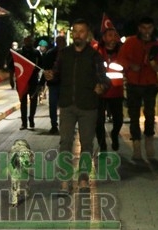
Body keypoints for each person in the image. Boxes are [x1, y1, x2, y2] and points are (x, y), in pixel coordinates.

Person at [44, 19, 110, 193]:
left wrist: (101, 86)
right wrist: (50, 75)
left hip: (88, 106)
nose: (78, 34)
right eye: (75, 31)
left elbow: (104, 78)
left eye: (81, 31)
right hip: (67, 105)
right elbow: (56, 73)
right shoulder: (64, 54)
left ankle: (83, 179)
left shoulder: (94, 56)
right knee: (65, 142)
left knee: (87, 144)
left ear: (87, 35)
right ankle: (65, 181)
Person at [118, 17, 158, 160]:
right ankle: (136, 146)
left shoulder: (156, 44)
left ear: (153, 29)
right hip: (134, 84)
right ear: (139, 28)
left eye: (149, 28)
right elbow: (121, 59)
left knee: (150, 115)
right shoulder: (130, 42)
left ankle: (149, 143)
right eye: (144, 28)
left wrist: (155, 65)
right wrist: (130, 66)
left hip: (150, 84)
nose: (146, 31)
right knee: (134, 116)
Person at [96, 28, 125, 151]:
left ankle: (114, 134)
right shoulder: (96, 51)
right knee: (98, 122)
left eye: (115, 35)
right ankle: (102, 145)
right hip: (100, 92)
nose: (113, 38)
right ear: (104, 38)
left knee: (119, 120)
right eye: (110, 35)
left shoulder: (122, 52)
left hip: (116, 92)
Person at [41, 36, 66, 135]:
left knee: (63, 106)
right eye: (60, 41)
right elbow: (46, 69)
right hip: (54, 83)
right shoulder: (51, 53)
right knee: (54, 105)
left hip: (64, 84)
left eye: (62, 41)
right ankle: (54, 125)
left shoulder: (68, 53)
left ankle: (62, 125)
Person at [18, 36, 42, 130]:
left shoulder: (36, 53)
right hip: (22, 81)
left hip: (33, 80)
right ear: (24, 41)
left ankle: (31, 119)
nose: (29, 42)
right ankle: (24, 123)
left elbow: (41, 64)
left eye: (31, 41)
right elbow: (12, 65)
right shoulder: (19, 53)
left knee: (33, 101)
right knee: (23, 102)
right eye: (28, 41)